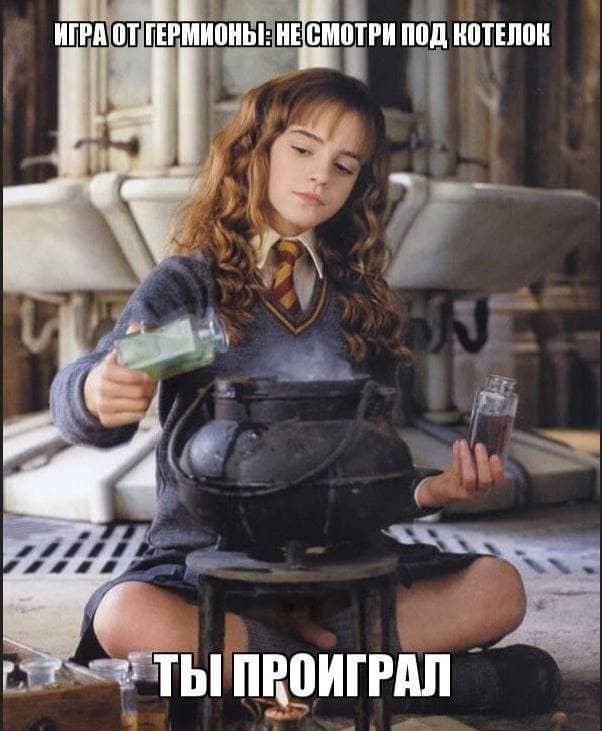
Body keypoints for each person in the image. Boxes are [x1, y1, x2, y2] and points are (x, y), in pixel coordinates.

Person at [50, 68, 560, 716]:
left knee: (498, 587)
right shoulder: (188, 288)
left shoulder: (362, 306)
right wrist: (99, 391)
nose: (321, 176)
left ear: (360, 186)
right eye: (302, 148)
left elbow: (366, 473)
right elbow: (85, 391)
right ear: (254, 150)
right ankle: (406, 683)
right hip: (206, 567)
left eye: (344, 165)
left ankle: (260, 683)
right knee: (126, 614)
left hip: (339, 571)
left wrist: (436, 490)